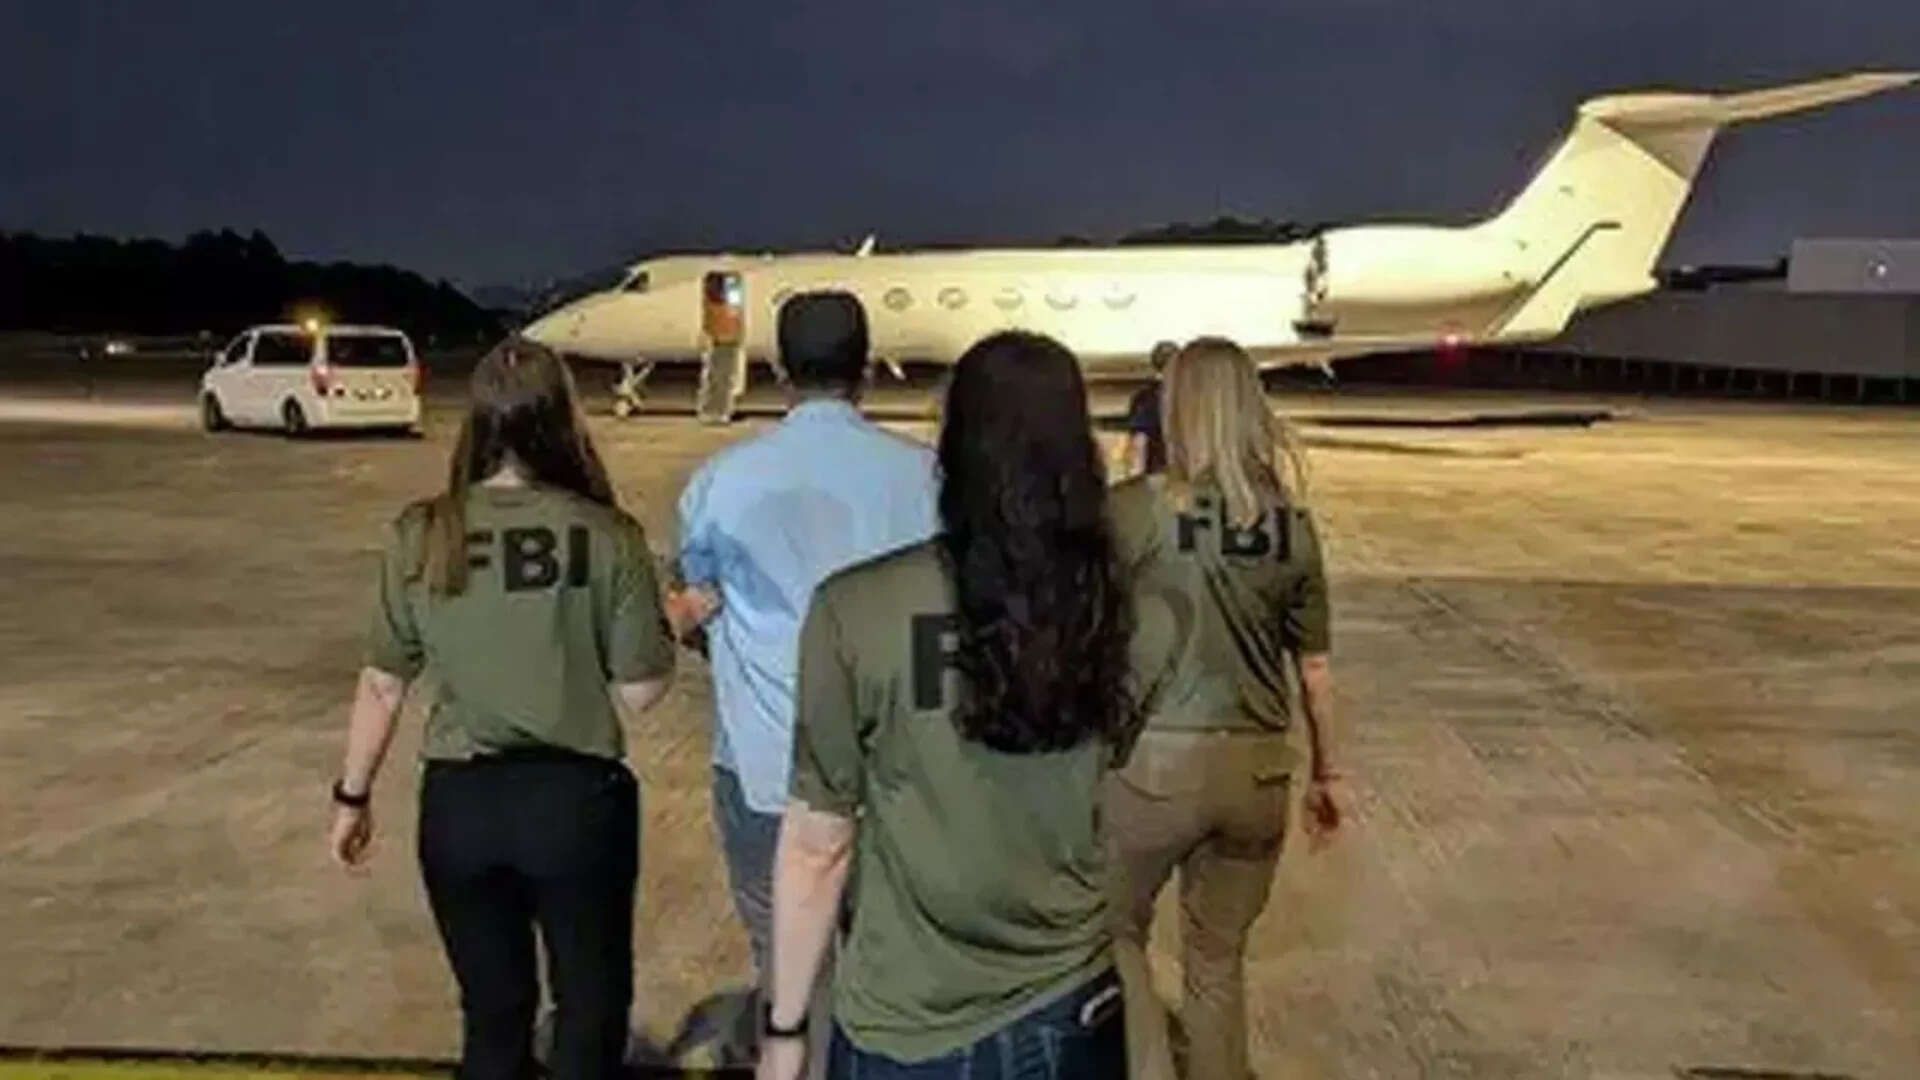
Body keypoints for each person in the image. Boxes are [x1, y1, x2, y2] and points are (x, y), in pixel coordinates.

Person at [758, 331, 1173, 1080]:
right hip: (1072, 1003)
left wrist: (785, 1031)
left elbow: (819, 844)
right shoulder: (1140, 616)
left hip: (910, 1021)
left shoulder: (855, 609)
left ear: (953, 448)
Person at [328, 337, 675, 1080]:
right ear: (563, 419)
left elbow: (383, 681)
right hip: (574, 806)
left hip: (461, 807)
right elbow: (640, 693)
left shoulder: (425, 531)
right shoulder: (608, 534)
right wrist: (670, 622)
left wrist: (352, 796)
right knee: (588, 1012)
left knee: (492, 1015)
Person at [670, 291, 938, 1061]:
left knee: (790, 971)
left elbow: (695, 610)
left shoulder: (719, 482)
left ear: (780, 371)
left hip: (768, 771)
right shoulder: (927, 477)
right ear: (866, 369)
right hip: (897, 771)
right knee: (896, 970)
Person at [1103, 336, 1344, 1080]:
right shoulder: (1291, 525)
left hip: (1154, 767)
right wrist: (1328, 775)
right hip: (1259, 773)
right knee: (1216, 961)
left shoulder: (1134, 510)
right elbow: (1315, 671)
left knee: (1112, 933)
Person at [1120, 341, 1179, 479]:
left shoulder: (1145, 397)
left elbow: (1138, 443)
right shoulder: (1191, 396)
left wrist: (1133, 477)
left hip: (1155, 475)